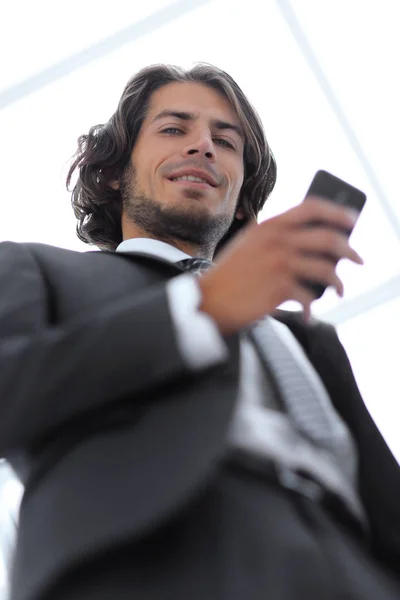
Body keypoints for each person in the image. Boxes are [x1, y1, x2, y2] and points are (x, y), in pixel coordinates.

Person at [1, 63, 399, 600]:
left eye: (225, 141)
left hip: (350, 567)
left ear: (240, 193)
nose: (203, 147)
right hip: (152, 561)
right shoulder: (35, 270)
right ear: (117, 171)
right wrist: (200, 312)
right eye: (173, 129)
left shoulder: (305, 336)